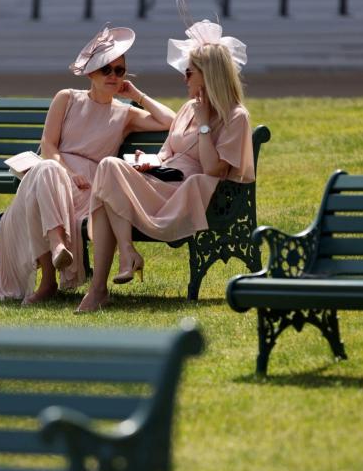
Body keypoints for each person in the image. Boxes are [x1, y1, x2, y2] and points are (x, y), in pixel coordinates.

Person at [76, 18, 254, 313]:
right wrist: (146, 162)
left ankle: (109, 279)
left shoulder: (236, 117)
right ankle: (117, 267)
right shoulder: (187, 109)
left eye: (189, 73)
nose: (184, 79)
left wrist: (206, 124)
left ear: (208, 75)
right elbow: (165, 152)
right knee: (110, 173)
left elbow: (212, 170)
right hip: (161, 180)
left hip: (186, 193)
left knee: (107, 177)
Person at [0, 24, 175, 304]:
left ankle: (51, 273)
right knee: (47, 169)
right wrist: (69, 171)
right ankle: (55, 253)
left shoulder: (125, 114)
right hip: (57, 175)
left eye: (119, 71)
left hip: (90, 190)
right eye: (107, 70)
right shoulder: (66, 98)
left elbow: (171, 122)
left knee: (45, 178)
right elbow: (49, 146)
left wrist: (137, 95)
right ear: (91, 73)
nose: (113, 76)